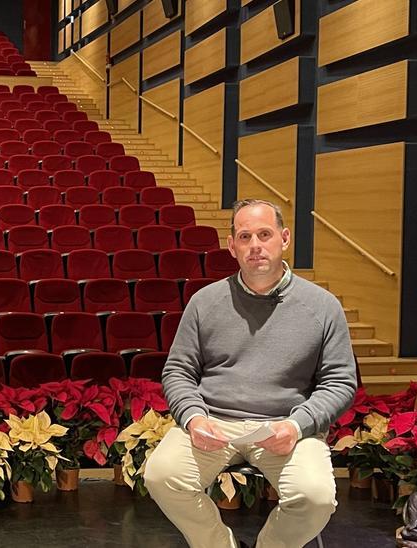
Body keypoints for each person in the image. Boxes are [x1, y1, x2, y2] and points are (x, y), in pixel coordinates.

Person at [143, 199, 358, 548]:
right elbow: (178, 371)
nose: (255, 245)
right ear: (232, 246)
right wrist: (194, 419)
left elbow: (340, 381)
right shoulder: (205, 302)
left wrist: (296, 425)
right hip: (213, 422)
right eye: (245, 236)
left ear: (284, 238)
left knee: (316, 497)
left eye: (264, 234)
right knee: (162, 475)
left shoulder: (322, 306)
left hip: (285, 425)